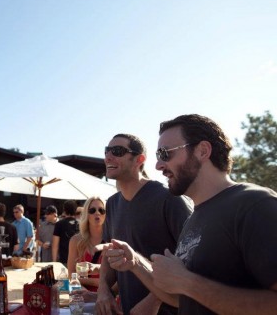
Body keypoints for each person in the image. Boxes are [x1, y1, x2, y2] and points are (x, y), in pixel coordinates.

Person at [104, 114, 277, 314]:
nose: (158, 165)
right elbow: (181, 298)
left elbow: (188, 286)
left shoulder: (254, 204)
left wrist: (188, 282)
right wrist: (135, 263)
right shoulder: (194, 218)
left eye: (165, 153)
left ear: (202, 151)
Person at [95, 133, 193, 315]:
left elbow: (192, 261)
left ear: (139, 159)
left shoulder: (170, 198)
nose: (108, 156)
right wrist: (103, 290)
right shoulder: (112, 203)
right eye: (107, 151)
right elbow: (109, 253)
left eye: (117, 151)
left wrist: (153, 302)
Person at [67, 197, 106, 291]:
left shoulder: (112, 241)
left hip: (107, 299)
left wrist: (86, 280)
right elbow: (71, 275)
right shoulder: (75, 241)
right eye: (92, 210)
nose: (97, 213)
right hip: (82, 298)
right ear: (86, 215)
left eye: (101, 210)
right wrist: (97, 282)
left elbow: (118, 279)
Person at [52, 200, 79, 264]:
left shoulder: (59, 224)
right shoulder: (80, 224)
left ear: (64, 210)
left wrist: (54, 262)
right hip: (78, 260)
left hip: (64, 260)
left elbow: (55, 245)